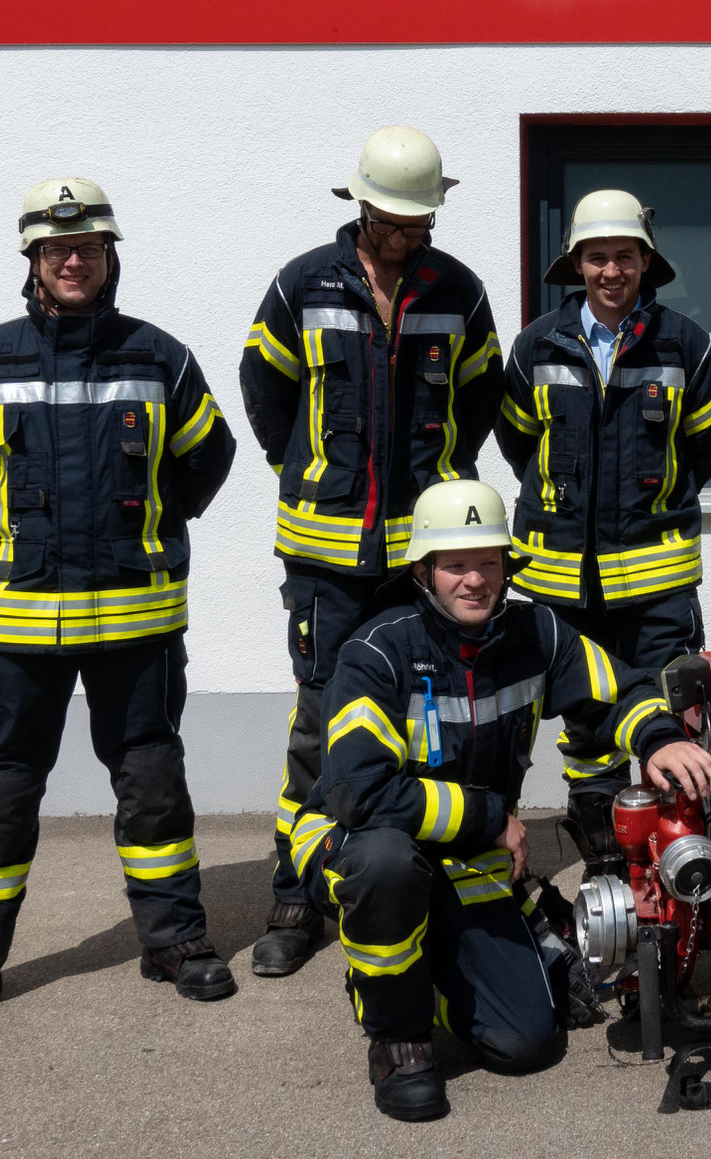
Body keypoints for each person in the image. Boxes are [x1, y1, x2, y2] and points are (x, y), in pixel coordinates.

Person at [0, 177, 238, 1034]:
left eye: (87, 246)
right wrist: (11, 544)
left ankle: (174, 941)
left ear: (109, 258)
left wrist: (153, 529)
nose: (72, 259)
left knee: (154, 786)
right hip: (14, 630)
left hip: (138, 623)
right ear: (32, 260)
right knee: (0, 795)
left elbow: (208, 459)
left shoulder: (160, 359)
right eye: (57, 249)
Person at [284, 479, 711, 1121]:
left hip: (468, 858)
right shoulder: (378, 651)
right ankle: (396, 1033)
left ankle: (428, 974)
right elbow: (362, 792)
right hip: (353, 841)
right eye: (455, 564)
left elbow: (615, 688)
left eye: (488, 563)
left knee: (527, 1044)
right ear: (424, 570)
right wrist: (493, 820)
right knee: (385, 867)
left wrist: (656, 739)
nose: (474, 580)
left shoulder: (535, 633)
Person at [240, 126, 503, 977]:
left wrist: (441, 487)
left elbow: (482, 398)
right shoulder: (301, 284)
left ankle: (412, 867)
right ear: (360, 206)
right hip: (324, 555)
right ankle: (297, 890)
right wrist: (320, 474)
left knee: (424, 715)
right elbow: (266, 392)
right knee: (320, 720)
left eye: (418, 222)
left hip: (418, 556)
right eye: (390, 220)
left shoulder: (459, 293)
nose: (403, 235)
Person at [495, 189, 711, 872]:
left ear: (645, 261)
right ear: (577, 265)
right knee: (588, 719)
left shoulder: (687, 343)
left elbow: (709, 444)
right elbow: (519, 443)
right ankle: (603, 847)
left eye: (623, 256)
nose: (610, 271)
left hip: (658, 581)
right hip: (562, 577)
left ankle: (675, 858)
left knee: (671, 711)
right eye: (596, 257)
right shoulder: (537, 345)